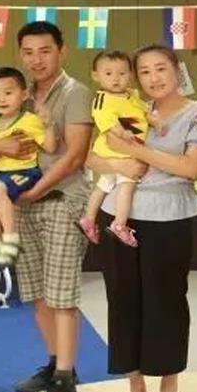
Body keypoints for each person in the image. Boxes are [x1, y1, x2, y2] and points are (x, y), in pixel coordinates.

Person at [88, 44, 197, 392]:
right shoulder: (127, 106)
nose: (153, 78)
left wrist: (135, 152)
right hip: (119, 213)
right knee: (122, 301)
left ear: (177, 70)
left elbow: (191, 168)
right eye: (144, 71)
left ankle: (169, 385)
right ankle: (134, 387)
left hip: (170, 216)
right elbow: (93, 157)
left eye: (161, 68)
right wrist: (118, 161)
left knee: (167, 302)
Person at [0, 21, 94, 392]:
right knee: (37, 293)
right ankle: (55, 364)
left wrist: (35, 190)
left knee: (61, 295)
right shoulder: (18, 96)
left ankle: (66, 379)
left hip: (61, 199)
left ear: (62, 51)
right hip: (24, 202)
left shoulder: (75, 93)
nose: (36, 59)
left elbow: (74, 155)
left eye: (45, 51)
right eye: (28, 52)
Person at [0, 67, 56, 273]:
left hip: (26, 172)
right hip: (2, 174)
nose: (1, 99)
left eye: (8, 93)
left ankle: (12, 240)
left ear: (24, 94)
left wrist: (48, 125)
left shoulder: (30, 120)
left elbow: (50, 147)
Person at [79, 50, 150, 247]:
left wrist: (154, 120)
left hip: (129, 144)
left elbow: (143, 112)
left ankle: (88, 219)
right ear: (96, 76)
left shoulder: (132, 95)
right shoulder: (102, 99)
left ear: (130, 75)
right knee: (127, 185)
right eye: (108, 73)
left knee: (104, 184)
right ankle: (119, 224)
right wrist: (122, 133)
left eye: (122, 73)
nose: (116, 78)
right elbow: (106, 121)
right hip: (117, 149)